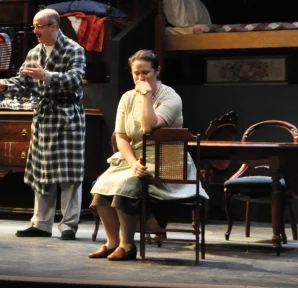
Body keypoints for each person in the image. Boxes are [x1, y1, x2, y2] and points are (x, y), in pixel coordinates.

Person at [88, 49, 208, 261]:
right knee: (100, 185)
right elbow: (122, 137)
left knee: (127, 185)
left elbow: (148, 126)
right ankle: (112, 242)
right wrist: (133, 162)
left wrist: (146, 95)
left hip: (168, 160)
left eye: (146, 73)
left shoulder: (171, 98)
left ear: (157, 71)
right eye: (136, 74)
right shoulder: (126, 98)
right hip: (136, 157)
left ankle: (127, 245)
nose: (141, 78)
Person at [0, 8, 86, 240]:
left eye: (40, 26)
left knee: (68, 174)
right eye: (34, 26)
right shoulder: (35, 52)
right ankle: (41, 224)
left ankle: (68, 225)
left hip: (67, 117)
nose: (35, 30)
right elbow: (23, 79)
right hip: (45, 117)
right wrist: (6, 84)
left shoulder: (74, 50)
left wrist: (46, 76)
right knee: (43, 173)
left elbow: (75, 79)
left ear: (54, 27)